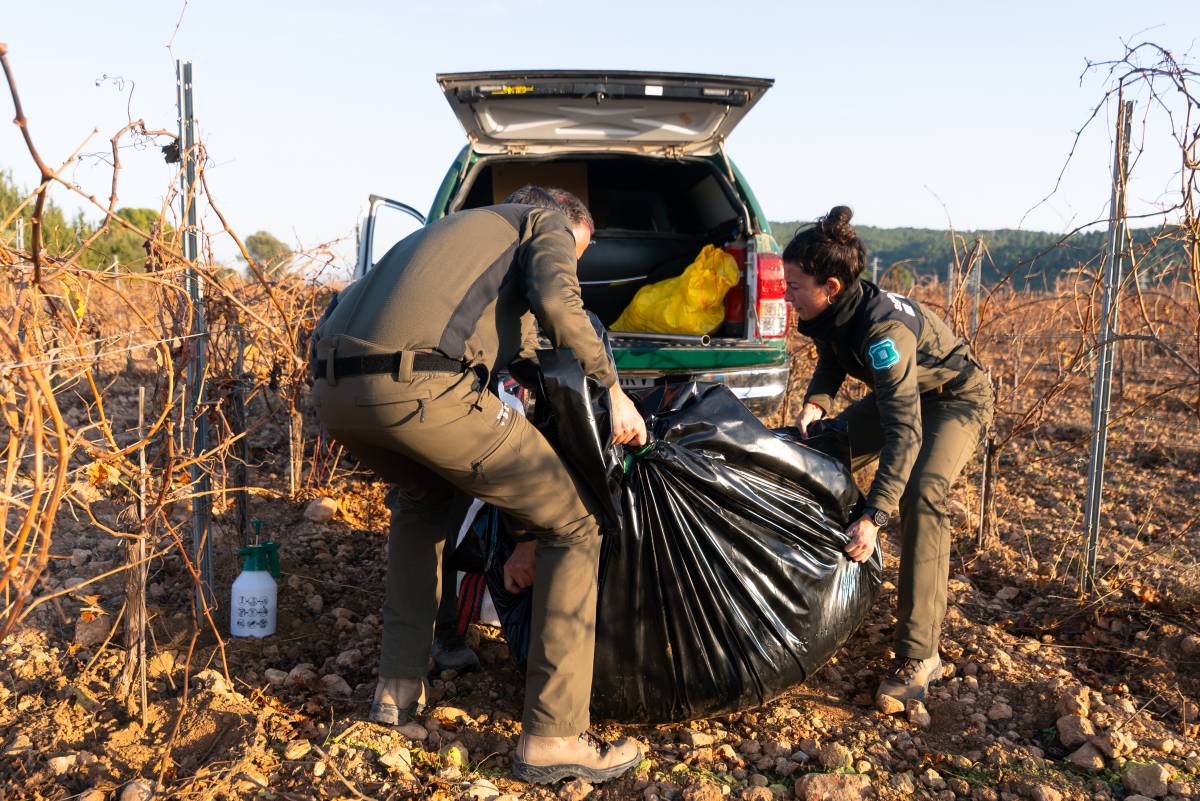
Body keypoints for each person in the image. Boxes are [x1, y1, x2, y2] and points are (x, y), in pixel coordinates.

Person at [311, 186, 646, 784]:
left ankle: (396, 691)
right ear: (561, 223)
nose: (572, 263)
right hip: (418, 388)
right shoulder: (541, 222)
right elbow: (559, 304)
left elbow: (342, 307)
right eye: (577, 253)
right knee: (573, 523)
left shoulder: (445, 235)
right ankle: (556, 736)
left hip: (337, 392)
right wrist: (613, 391)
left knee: (422, 502)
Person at [783, 205, 994, 706]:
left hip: (955, 399)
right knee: (818, 451)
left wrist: (875, 516)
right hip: (904, 392)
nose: (787, 295)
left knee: (922, 493)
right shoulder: (838, 308)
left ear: (830, 286)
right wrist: (819, 401)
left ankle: (920, 653)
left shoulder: (884, 336)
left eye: (794, 286)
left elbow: (905, 432)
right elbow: (835, 354)